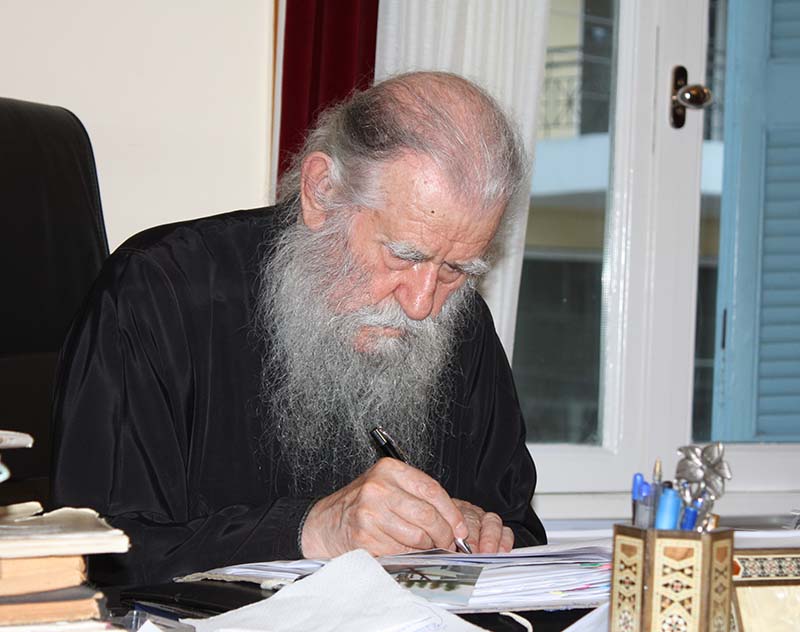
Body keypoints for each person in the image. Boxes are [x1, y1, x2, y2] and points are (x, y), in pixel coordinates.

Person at [50, 71, 546, 586]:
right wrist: (309, 530)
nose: (422, 304)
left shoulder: (459, 322)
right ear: (321, 192)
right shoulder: (157, 293)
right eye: (403, 256)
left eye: (456, 269)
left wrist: (485, 532)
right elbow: (93, 559)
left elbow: (519, 530)